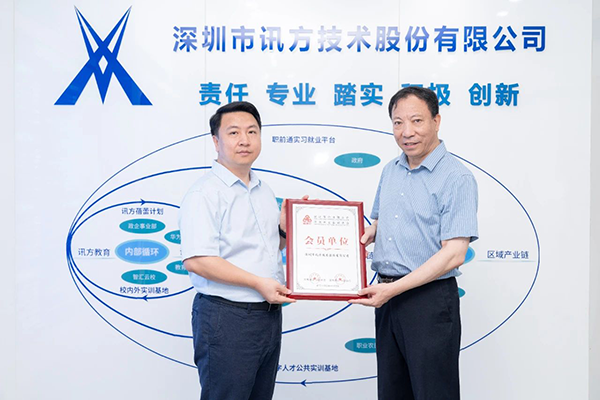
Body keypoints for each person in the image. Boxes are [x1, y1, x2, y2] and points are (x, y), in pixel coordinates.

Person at [350, 86, 478, 400]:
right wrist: (364, 235)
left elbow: (455, 253)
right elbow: (381, 222)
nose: (407, 132)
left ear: (436, 121)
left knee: (432, 393)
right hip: (387, 298)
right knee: (392, 392)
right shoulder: (390, 170)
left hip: (428, 302)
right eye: (398, 123)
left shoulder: (456, 178)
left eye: (417, 121)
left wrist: (394, 289)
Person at [179, 101, 294, 400]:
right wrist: (257, 283)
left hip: (267, 315)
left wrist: (284, 231)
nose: (244, 140)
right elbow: (198, 260)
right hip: (226, 317)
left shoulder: (263, 189)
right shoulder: (204, 193)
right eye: (233, 132)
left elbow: (268, 248)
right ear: (216, 141)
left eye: (252, 132)